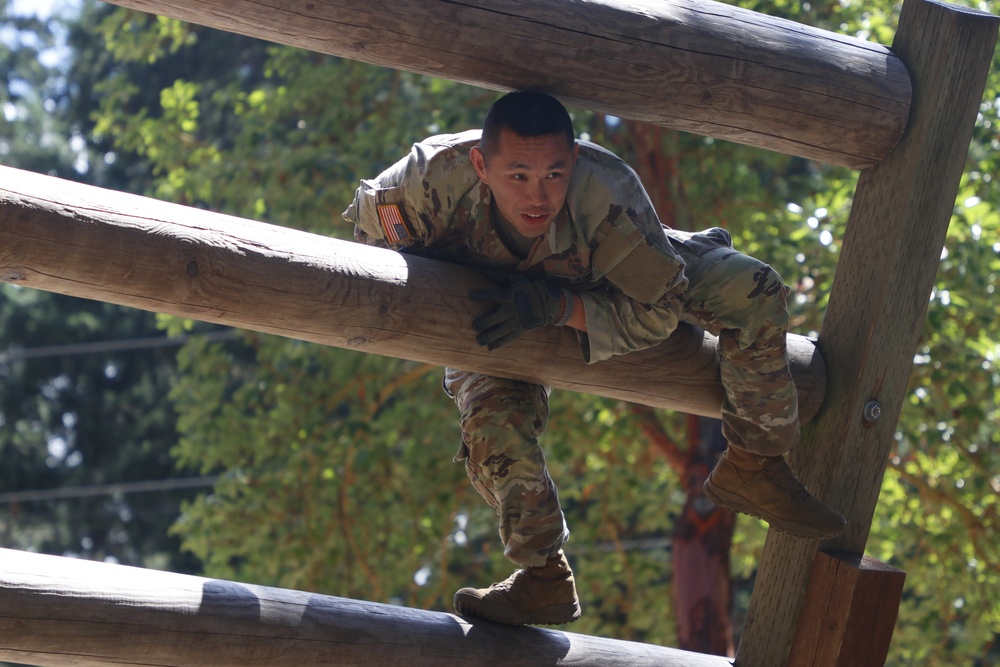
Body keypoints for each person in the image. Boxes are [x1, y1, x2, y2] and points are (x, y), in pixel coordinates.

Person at [343, 90, 845, 626]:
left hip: (603, 276)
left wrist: (561, 306)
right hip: (487, 305)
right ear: (481, 166)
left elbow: (659, 312)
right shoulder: (426, 181)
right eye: (518, 177)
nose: (538, 195)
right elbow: (370, 253)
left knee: (753, 287)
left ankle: (754, 465)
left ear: (574, 161)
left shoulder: (608, 195)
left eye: (554, 175)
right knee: (497, 430)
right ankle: (543, 579)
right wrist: (457, 304)